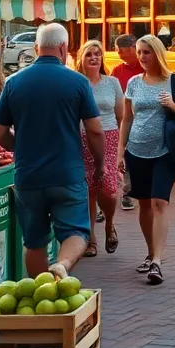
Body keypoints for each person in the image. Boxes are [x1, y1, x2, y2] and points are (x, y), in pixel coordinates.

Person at [0, 23, 104, 279]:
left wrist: (20, 149)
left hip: (28, 176)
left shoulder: (14, 82)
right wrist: (100, 164)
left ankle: (41, 296)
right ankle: (62, 265)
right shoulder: (78, 82)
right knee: (76, 232)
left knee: (33, 241)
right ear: (64, 48)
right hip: (67, 174)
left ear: (36, 48)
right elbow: (95, 131)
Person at [119, 34, 175, 285]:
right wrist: (121, 150)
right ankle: (151, 252)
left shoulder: (173, 81)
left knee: (159, 202)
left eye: (146, 52)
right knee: (144, 204)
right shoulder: (133, 83)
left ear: (157, 53)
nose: (141, 57)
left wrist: (173, 105)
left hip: (165, 152)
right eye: (139, 52)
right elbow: (127, 119)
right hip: (137, 151)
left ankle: (157, 262)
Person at [75, 40, 125, 258]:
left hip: (109, 136)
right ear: (81, 59)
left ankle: (110, 224)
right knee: (88, 189)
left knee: (108, 188)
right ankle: (91, 238)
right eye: (89, 55)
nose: (94, 58)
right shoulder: (76, 82)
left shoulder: (112, 82)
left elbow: (121, 115)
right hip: (82, 137)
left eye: (97, 54)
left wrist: (121, 148)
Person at [110, 35, 143, 213]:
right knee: (125, 156)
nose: (117, 53)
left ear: (131, 48)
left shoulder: (144, 67)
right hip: (124, 120)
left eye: (120, 50)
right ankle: (126, 193)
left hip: (143, 119)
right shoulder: (116, 71)